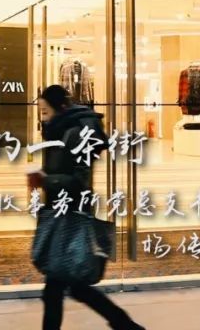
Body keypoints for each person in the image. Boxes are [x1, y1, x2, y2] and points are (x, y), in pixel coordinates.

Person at [28, 84, 145, 330]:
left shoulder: (77, 132)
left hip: (70, 214)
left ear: (61, 107)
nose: (43, 117)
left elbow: (79, 180)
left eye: (45, 111)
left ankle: (126, 324)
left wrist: (45, 180)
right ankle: (125, 325)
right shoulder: (63, 129)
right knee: (67, 287)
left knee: (60, 287)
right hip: (62, 210)